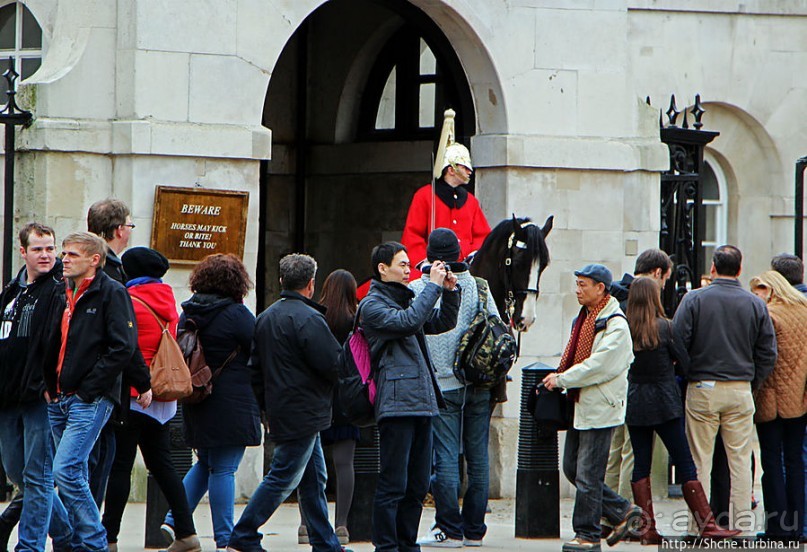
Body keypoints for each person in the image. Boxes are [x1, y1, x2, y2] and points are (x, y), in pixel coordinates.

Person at [228, 254, 347, 552]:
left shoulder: (265, 317)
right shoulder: (310, 319)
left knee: (313, 479)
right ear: (311, 284)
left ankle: (325, 543)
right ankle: (243, 535)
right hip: (305, 410)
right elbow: (335, 365)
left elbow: (255, 370)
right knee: (283, 477)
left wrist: (265, 408)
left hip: (283, 409)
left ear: (281, 281)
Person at [361, 241, 460, 552]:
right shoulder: (372, 305)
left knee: (417, 485)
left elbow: (442, 322)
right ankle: (386, 546)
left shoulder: (405, 301)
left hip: (421, 402)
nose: (408, 270)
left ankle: (407, 544)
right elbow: (408, 323)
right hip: (395, 404)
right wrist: (432, 287)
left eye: (408, 264)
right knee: (394, 483)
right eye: (402, 265)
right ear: (382, 269)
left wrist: (449, 291)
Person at [624, 277, 739, 543]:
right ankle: (707, 525)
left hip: (636, 401)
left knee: (641, 465)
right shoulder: (665, 327)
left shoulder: (625, 329)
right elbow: (685, 364)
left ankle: (647, 529)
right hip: (665, 401)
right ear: (653, 298)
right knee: (685, 463)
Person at [672, 245, 777, 534]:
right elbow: (768, 352)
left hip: (703, 386)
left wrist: (690, 372)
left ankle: (698, 526)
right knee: (741, 461)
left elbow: (678, 341)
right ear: (740, 269)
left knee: (699, 460)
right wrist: (752, 382)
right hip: (740, 387)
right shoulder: (755, 304)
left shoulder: (694, 299)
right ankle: (742, 528)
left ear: (713, 267)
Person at [101, 247, 201, 552]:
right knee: (163, 466)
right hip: (161, 398)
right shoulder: (167, 299)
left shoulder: (129, 300)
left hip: (133, 395)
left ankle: (109, 537)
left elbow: (125, 348)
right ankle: (187, 533)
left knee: (120, 467)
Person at [45, 232, 138, 552]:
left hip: (89, 398)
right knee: (74, 473)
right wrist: (48, 386)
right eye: (64, 253)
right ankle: (74, 542)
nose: (64, 259)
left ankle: (95, 541)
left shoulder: (111, 292)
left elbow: (123, 347)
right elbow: (51, 341)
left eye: (72, 254)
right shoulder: (62, 291)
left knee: (65, 469)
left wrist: (89, 389)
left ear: (94, 260)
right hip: (58, 397)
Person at [161, 254, 261, 551]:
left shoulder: (189, 312)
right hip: (232, 401)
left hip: (198, 398)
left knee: (206, 462)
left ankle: (174, 520)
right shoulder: (237, 314)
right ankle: (225, 538)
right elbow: (259, 349)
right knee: (224, 468)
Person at [542, 264, 641, 552]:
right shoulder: (585, 318)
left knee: (588, 474)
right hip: (580, 404)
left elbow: (598, 366)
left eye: (583, 284)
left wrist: (562, 379)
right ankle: (623, 510)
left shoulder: (616, 324)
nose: (577, 290)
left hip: (601, 408)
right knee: (572, 468)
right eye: (577, 284)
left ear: (600, 288)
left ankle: (587, 535)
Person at [410, 228, 499, 548]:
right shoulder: (478, 286)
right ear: (459, 253)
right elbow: (495, 324)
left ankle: (449, 529)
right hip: (478, 382)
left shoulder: (419, 287)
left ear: (429, 254)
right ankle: (474, 530)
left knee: (445, 457)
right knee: (478, 458)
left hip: (442, 384)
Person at [0, 223, 72, 552]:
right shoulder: (11, 292)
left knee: (38, 475)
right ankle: (67, 534)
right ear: (23, 252)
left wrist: (51, 383)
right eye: (38, 249)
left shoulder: (59, 289)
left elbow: (60, 341)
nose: (46, 255)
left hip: (39, 396)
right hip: (7, 396)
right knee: (17, 472)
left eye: (50, 248)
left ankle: (29, 546)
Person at [606, 249, 674, 522]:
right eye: (665, 279)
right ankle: (627, 516)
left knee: (614, 452)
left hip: (613, 385)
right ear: (657, 273)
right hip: (634, 386)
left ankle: (605, 515)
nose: (664, 286)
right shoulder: (639, 301)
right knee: (631, 453)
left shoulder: (614, 297)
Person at [297, 269, 360, 546]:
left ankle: (306, 524)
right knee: (344, 463)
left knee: (308, 463)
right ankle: (342, 525)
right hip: (346, 397)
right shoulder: (356, 320)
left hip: (317, 396)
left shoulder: (314, 317)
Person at [749, 271, 807, 542]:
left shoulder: (768, 315)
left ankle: (778, 527)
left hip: (770, 399)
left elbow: (764, 356)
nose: (756, 295)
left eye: (759, 289)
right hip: (799, 400)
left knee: (772, 462)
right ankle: (800, 526)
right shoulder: (804, 311)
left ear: (771, 289)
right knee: (796, 461)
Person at [86, 197, 136, 507]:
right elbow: (124, 339)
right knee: (94, 461)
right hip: (100, 385)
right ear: (119, 230)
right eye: (130, 225)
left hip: (91, 382)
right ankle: (85, 529)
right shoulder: (111, 272)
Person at [401, 142, 490, 280]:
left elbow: (482, 235)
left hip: (465, 269)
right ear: (451, 170)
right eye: (464, 167)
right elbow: (413, 235)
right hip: (432, 270)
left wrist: (473, 256)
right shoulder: (424, 196)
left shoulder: (471, 201)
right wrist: (425, 263)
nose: (469, 171)